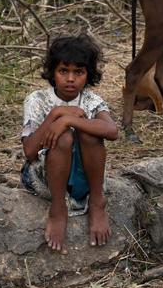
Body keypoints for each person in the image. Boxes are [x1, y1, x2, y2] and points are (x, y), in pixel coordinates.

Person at [21, 35, 118, 252]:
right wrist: (56, 114)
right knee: (63, 138)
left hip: (83, 178)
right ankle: (58, 209)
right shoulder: (37, 100)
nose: (71, 79)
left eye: (79, 72)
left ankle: (96, 201)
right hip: (44, 178)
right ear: (53, 73)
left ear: (88, 74)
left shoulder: (92, 101)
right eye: (63, 71)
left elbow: (112, 131)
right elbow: (29, 151)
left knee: (90, 132)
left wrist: (69, 120)